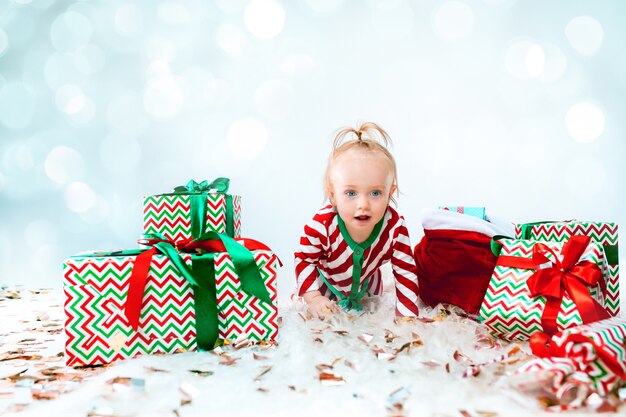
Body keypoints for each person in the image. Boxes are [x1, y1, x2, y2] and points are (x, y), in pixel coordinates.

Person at [294, 122, 420, 320]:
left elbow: (405, 269)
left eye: (376, 193)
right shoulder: (321, 226)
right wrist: (314, 298)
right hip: (326, 285)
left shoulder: (394, 227)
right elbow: (304, 259)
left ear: (389, 194)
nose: (363, 204)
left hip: (367, 288)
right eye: (351, 193)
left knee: (370, 319)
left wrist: (407, 316)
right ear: (333, 195)